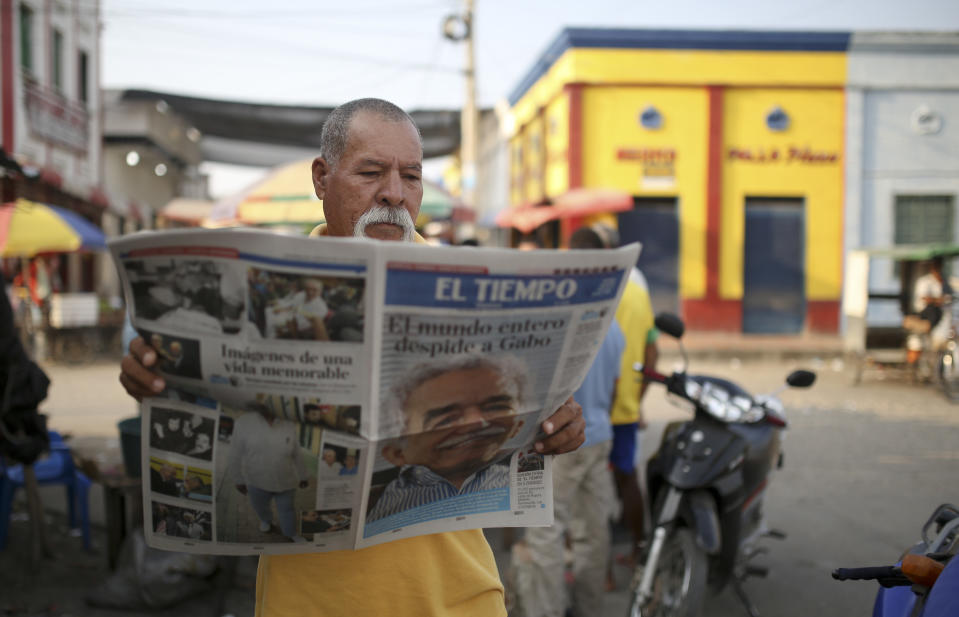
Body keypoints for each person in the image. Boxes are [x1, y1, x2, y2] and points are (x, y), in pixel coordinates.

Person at [119, 97, 585, 617]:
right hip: (306, 602)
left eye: (411, 176)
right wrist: (153, 377)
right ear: (323, 178)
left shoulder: (474, 285)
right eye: (370, 172)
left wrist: (559, 425)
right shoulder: (264, 289)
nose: (394, 194)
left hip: (457, 597)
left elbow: (532, 415)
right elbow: (179, 391)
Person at [512, 227, 627, 617]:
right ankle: (590, 608)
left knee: (547, 533)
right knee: (592, 535)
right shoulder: (613, 327)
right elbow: (613, 388)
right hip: (599, 438)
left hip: (559, 444)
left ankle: (547, 611)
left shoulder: (555, 322)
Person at [366, 355, 526, 522]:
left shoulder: (511, 479)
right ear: (397, 453)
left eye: (495, 407)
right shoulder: (381, 503)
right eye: (447, 419)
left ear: (518, 426)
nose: (476, 423)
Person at [227, 402, 310, 543]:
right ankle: (266, 520)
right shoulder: (244, 422)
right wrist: (238, 479)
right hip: (256, 481)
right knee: (260, 507)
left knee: (287, 509)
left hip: (285, 480)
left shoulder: (288, 423)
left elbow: (297, 453)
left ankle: (291, 533)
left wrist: (303, 475)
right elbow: (235, 453)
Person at [907, 256, 954, 366]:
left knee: (940, 346)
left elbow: (950, 298)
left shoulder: (945, 281)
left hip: (941, 318)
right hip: (927, 316)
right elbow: (924, 298)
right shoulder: (925, 281)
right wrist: (938, 300)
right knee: (919, 344)